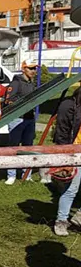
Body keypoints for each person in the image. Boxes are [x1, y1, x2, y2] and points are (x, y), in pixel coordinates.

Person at [2, 61, 39, 185]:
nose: (33, 71)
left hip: (29, 118)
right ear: (24, 69)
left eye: (34, 68)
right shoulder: (16, 82)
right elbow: (8, 100)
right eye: (30, 68)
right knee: (14, 146)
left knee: (28, 146)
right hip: (17, 118)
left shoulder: (31, 83)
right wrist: (24, 103)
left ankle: (26, 174)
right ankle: (11, 175)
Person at [53, 87, 81, 236]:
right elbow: (62, 132)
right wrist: (65, 156)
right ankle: (61, 221)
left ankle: (78, 217)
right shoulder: (69, 105)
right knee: (71, 189)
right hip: (73, 152)